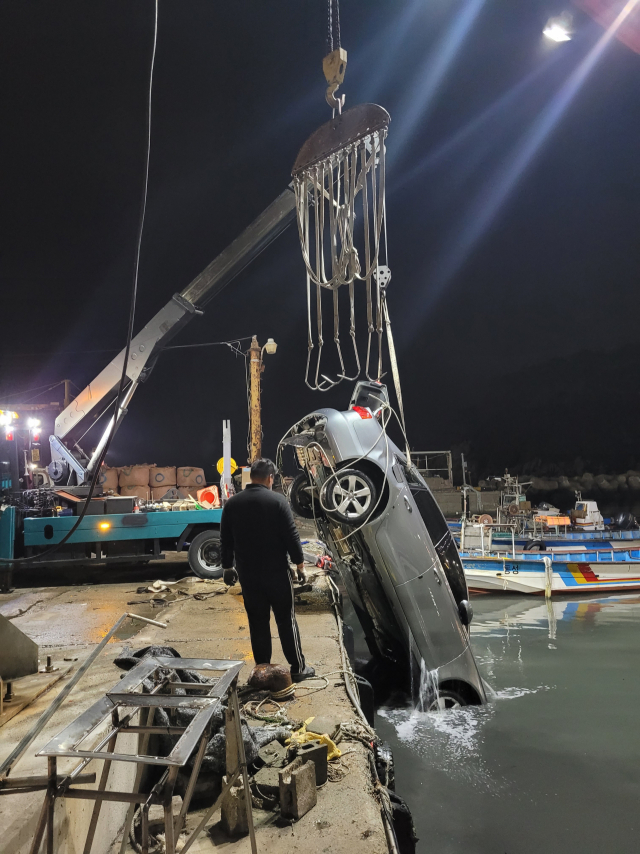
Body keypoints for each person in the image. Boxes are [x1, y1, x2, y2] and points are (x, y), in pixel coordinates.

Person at [220, 457, 315, 682]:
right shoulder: (277, 501)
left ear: (251, 477)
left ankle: (263, 672)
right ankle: (298, 669)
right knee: (286, 620)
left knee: (258, 623)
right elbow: (292, 536)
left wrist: (227, 567)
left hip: (248, 576)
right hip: (277, 574)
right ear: (270, 478)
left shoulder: (233, 504)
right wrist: (300, 565)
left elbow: (225, 539)